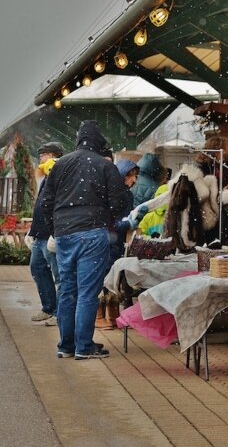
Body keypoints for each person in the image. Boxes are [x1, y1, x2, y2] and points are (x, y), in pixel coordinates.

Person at [42, 120, 128, 360]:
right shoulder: (104, 165)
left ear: (78, 140)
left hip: (64, 234)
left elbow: (45, 203)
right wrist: (107, 219)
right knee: (88, 292)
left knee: (68, 289)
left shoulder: (60, 165)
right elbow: (120, 202)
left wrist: (57, 227)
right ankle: (84, 346)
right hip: (92, 233)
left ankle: (66, 345)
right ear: (98, 141)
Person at [96, 159, 139, 329]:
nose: (134, 180)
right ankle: (98, 314)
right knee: (103, 277)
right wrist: (128, 223)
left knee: (115, 277)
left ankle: (113, 312)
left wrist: (131, 221)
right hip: (106, 241)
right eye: (130, 176)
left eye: (135, 176)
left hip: (118, 243)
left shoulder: (128, 195)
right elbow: (108, 222)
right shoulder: (108, 194)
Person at [26, 142, 64, 325]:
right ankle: (49, 307)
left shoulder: (58, 174)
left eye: (43, 155)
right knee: (37, 268)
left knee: (59, 275)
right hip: (39, 234)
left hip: (51, 235)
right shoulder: (46, 176)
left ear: (53, 156)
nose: (40, 158)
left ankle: (60, 314)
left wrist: (55, 231)